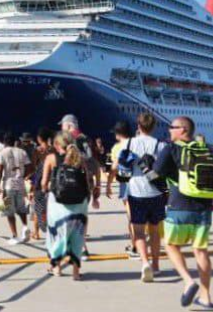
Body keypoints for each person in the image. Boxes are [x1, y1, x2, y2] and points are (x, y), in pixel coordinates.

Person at [153, 116, 213, 308]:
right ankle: (206, 297)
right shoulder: (207, 148)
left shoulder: (171, 148)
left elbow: (156, 174)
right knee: (201, 251)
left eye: (172, 127)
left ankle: (188, 281)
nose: (169, 130)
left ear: (182, 130)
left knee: (171, 246)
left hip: (179, 205)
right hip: (204, 208)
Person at [40, 132, 94, 279]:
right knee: (77, 235)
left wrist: (46, 190)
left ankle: (56, 268)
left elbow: (43, 183)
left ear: (57, 145)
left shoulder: (51, 158)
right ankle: (76, 272)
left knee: (56, 235)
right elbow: (88, 180)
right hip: (79, 203)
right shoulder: (79, 158)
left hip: (57, 203)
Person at [123, 113, 167, 282]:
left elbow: (122, 168)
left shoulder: (129, 143)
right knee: (155, 231)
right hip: (155, 192)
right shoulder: (160, 145)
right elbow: (163, 169)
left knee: (139, 232)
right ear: (154, 126)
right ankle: (156, 265)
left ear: (138, 125)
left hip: (135, 191)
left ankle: (145, 262)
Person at [59, 114, 101, 259]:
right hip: (86, 183)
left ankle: (78, 248)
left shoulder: (68, 141)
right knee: (80, 216)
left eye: (63, 126)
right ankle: (80, 247)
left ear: (69, 126)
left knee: (67, 217)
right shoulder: (86, 139)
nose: (61, 128)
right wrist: (96, 188)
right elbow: (94, 162)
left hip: (71, 183)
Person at [107, 120, 137, 258]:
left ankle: (135, 246)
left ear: (118, 134)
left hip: (126, 184)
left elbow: (114, 168)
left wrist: (108, 185)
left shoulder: (117, 148)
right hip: (142, 182)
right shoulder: (138, 143)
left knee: (131, 216)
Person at [0, 134, 33, 245]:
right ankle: (25, 227)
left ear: (4, 142)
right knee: (21, 209)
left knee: (9, 211)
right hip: (20, 184)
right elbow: (31, 167)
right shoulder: (22, 152)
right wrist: (24, 176)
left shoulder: (1, 153)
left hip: (8, 185)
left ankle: (14, 236)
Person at [30, 128, 54, 241]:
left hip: (40, 182)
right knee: (51, 209)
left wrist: (32, 185)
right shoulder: (54, 150)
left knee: (37, 208)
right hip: (53, 182)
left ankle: (36, 233)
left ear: (39, 139)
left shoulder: (37, 151)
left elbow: (35, 168)